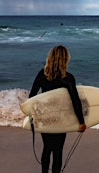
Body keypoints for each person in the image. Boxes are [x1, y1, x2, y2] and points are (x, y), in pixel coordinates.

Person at [28, 45, 86, 173]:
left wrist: (33, 116)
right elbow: (75, 101)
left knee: (47, 148)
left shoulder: (42, 75)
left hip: (45, 117)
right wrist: (81, 122)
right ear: (65, 59)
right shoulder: (68, 78)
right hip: (60, 118)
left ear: (50, 57)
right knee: (58, 150)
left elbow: (31, 97)